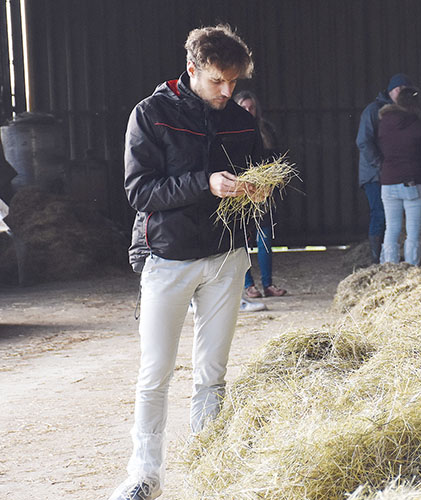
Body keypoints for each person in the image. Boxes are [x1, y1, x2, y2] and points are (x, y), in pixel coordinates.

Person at [111, 25, 264, 500]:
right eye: (219, 80)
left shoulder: (239, 119)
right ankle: (144, 475)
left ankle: (207, 467)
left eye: (234, 82)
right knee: (155, 372)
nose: (228, 91)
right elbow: (140, 191)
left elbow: (259, 167)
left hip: (225, 257)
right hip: (168, 257)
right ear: (193, 69)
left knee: (212, 372)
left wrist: (257, 186)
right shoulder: (151, 115)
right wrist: (206, 183)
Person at [356, 73, 416, 263]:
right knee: (380, 213)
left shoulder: (401, 111)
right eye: (400, 90)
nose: (401, 94)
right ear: (393, 90)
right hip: (375, 174)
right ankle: (376, 260)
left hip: (391, 173)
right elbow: (363, 142)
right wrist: (381, 165)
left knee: (391, 216)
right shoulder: (373, 111)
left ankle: (385, 258)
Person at [233, 90, 287, 301]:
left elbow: (277, 157)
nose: (248, 111)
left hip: (263, 191)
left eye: (251, 107)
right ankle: (249, 286)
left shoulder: (265, 130)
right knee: (242, 241)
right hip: (240, 193)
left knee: (265, 238)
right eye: (243, 108)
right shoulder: (231, 130)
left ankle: (268, 284)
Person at [377, 82, 421, 266]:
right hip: (414, 181)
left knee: (391, 228)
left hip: (388, 181)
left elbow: (378, 149)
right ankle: (411, 267)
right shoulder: (418, 125)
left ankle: (389, 267)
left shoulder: (384, 122)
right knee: (413, 231)